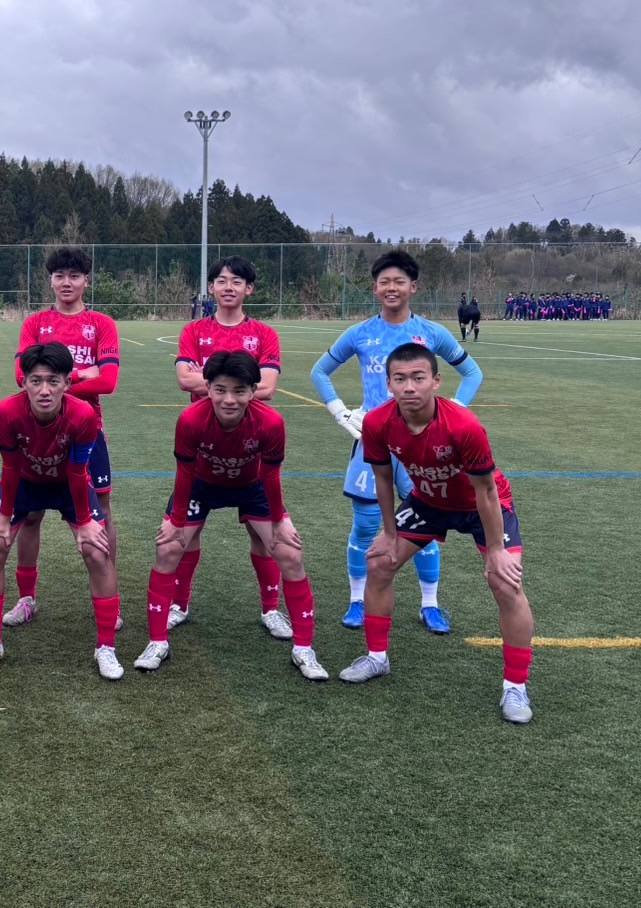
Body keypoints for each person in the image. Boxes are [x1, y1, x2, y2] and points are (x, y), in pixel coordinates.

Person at [340, 343, 535, 724]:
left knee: (506, 583)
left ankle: (515, 686)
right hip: (428, 501)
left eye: (418, 377)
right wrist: (389, 532)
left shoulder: (463, 425)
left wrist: (496, 550)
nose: (409, 387)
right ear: (388, 384)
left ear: (436, 381)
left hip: (481, 506)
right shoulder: (377, 423)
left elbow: (486, 491)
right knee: (378, 562)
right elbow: (383, 479)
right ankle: (377, 658)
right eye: (400, 379)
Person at [311, 249, 484, 634]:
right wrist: (341, 412)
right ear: (375, 288)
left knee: (427, 524)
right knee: (365, 524)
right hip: (373, 442)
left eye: (399, 281)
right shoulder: (360, 333)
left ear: (413, 287)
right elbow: (319, 372)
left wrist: (452, 412)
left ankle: (430, 604)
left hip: (421, 447)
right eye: (384, 282)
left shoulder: (432, 332)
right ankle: (358, 600)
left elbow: (472, 373)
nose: (392, 288)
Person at [136, 352, 327, 680]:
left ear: (253, 391)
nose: (229, 399)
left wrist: (279, 521)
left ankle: (302, 647)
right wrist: (177, 522)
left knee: (290, 554)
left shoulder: (271, 422)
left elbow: (271, 475)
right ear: (208, 388)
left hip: (252, 487)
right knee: (168, 548)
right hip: (201, 486)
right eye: (220, 390)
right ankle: (158, 641)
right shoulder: (191, 420)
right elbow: (184, 472)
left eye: (239, 391)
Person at [0, 342, 122, 679]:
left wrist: (85, 522)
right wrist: (3, 516)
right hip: (24, 482)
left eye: (53, 381)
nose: (44, 390)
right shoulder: (5, 412)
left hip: (68, 485)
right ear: (23, 381)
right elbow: (10, 467)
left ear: (67, 383)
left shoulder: (83, 415)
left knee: (97, 551)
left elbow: (78, 472)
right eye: (36, 381)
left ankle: (106, 647)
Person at [171, 255, 288, 639]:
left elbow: (267, 388)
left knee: (263, 536)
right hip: (204, 442)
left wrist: (213, 385)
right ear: (211, 287)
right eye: (221, 280)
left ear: (248, 289)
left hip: (249, 447)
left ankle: (271, 609)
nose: (228, 287)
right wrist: (234, 389)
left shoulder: (264, 335)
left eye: (237, 281)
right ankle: (179, 605)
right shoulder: (193, 331)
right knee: (187, 533)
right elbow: (183, 380)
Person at [5, 248, 120, 628]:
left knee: (102, 512)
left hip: (88, 430)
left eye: (74, 275)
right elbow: (21, 379)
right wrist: (84, 374)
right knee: (31, 514)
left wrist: (59, 385)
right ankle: (26, 599)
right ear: (51, 281)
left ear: (87, 280)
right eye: (59, 276)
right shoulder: (36, 323)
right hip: (37, 432)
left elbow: (109, 381)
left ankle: (110, 597)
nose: (66, 282)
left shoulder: (101, 324)